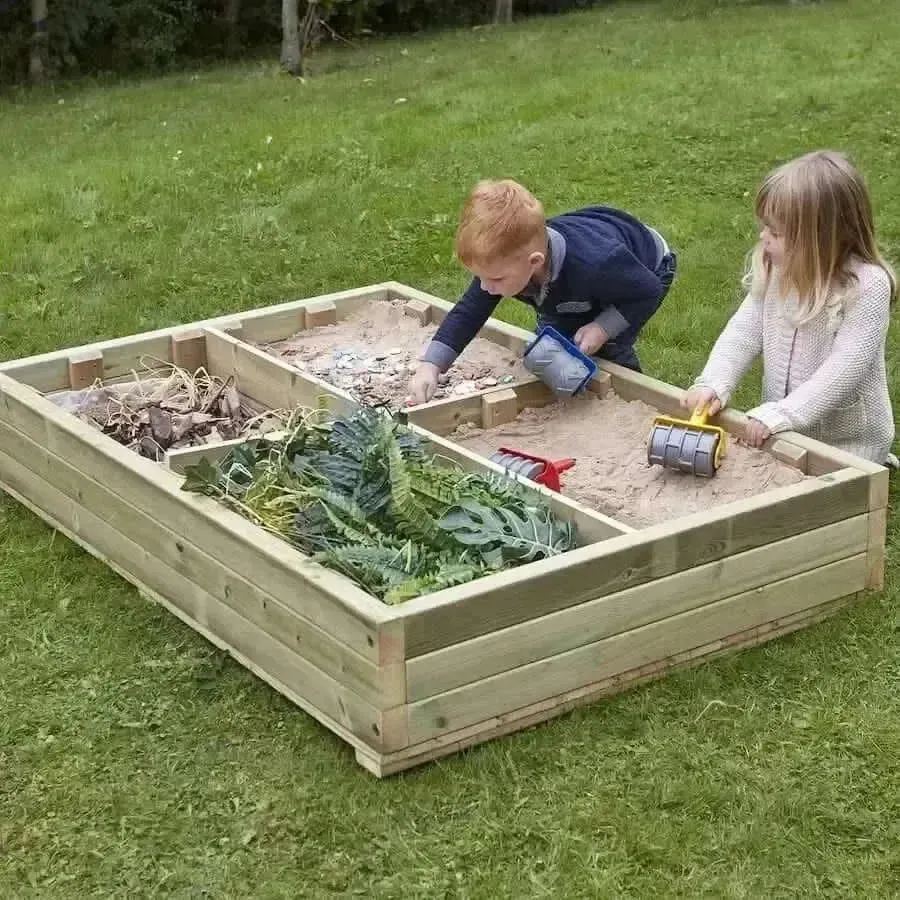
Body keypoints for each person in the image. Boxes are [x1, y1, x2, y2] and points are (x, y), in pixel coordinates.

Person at [684, 150, 896, 466]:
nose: (763, 237)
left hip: (848, 444)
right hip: (782, 430)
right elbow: (744, 332)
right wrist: (714, 382)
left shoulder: (867, 286)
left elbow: (845, 368)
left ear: (820, 238)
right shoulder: (778, 269)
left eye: (776, 232)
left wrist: (784, 412)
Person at [407, 179, 676, 404]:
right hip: (573, 276)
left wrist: (603, 327)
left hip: (643, 270)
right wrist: (432, 365)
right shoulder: (506, 266)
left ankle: (628, 398)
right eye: (481, 277)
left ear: (534, 262)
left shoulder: (598, 263)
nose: (486, 287)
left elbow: (646, 292)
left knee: (608, 343)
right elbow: (469, 312)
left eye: (495, 279)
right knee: (558, 335)